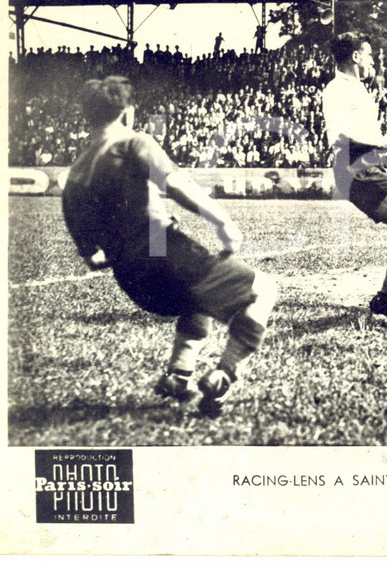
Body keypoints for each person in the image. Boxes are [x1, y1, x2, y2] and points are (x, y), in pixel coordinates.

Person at [61, 76, 277, 416]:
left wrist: (110, 250)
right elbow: (178, 183)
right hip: (165, 255)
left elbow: (91, 254)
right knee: (264, 289)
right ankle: (225, 375)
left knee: (197, 297)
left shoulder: (75, 172)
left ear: (87, 116)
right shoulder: (134, 143)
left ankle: (179, 373)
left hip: (133, 282)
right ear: (127, 112)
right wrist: (223, 221)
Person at [322, 32, 387, 326]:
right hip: (353, 167)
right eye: (369, 55)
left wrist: (383, 141)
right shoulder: (336, 89)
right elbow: (338, 136)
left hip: (368, 166)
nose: (373, 60)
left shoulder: (355, 88)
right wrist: (381, 141)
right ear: (355, 57)